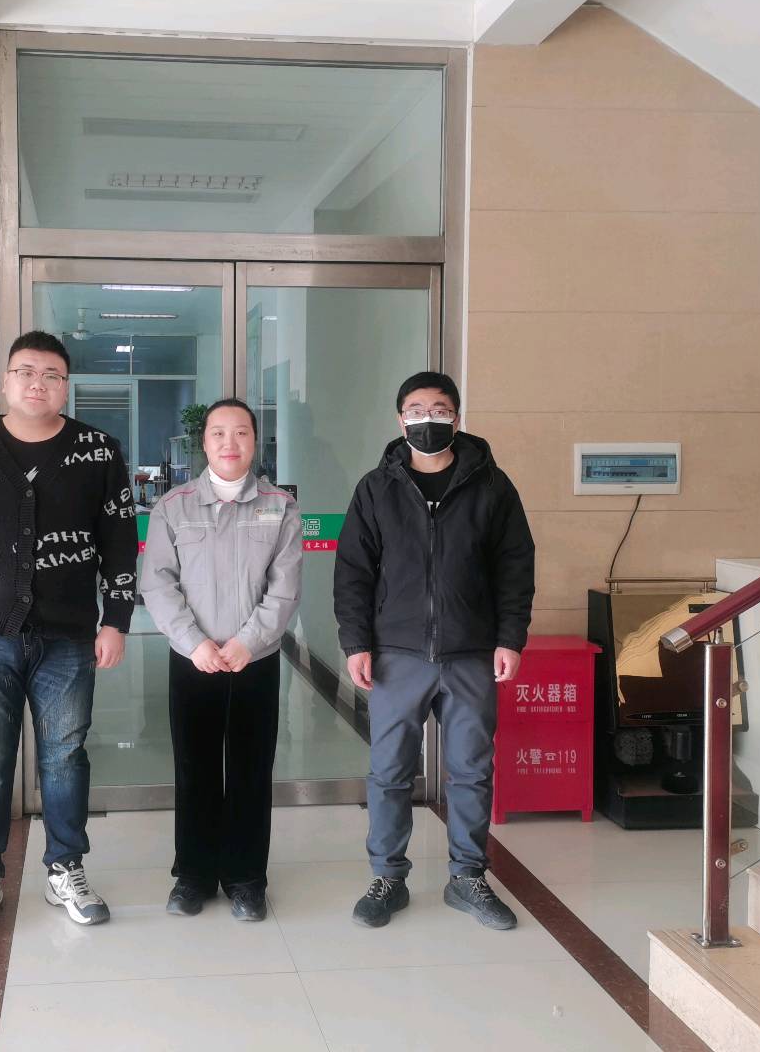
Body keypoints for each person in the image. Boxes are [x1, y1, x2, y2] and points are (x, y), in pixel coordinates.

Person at [0, 330, 138, 934]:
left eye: (52, 375)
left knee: (65, 756)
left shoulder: (98, 451)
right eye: (27, 372)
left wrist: (116, 620)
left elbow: (119, 542)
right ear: (6, 381)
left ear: (66, 386)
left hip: (68, 637)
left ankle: (66, 868)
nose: (39, 384)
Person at [334, 371, 535, 931]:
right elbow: (353, 573)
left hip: (471, 652)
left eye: (440, 409)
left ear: (457, 417)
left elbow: (515, 569)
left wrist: (510, 638)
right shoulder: (376, 488)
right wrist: (356, 642)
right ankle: (387, 877)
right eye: (417, 410)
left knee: (471, 770)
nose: (429, 419)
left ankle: (468, 877)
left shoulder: (493, 486)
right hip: (396, 653)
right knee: (389, 772)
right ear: (401, 420)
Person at [139, 399, 302, 922]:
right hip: (194, 661)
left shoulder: (280, 506)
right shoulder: (173, 507)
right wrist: (195, 644)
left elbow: (285, 587)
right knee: (196, 768)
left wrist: (248, 642)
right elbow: (157, 583)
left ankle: (247, 877)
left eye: (241, 433)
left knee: (252, 769)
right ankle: (193, 874)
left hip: (256, 661)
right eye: (218, 433)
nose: (229, 443)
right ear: (203, 442)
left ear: (254, 440)